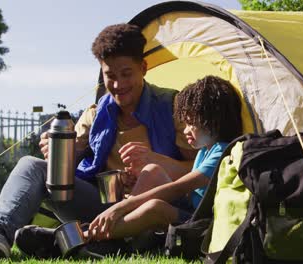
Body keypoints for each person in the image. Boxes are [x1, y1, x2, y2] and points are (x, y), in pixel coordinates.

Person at [0, 23, 196, 258]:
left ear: (143, 68)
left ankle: (75, 240)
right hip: (104, 205)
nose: (118, 85)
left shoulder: (172, 107)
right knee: (32, 166)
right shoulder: (95, 113)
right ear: (101, 73)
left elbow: (200, 172)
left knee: (151, 179)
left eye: (126, 74)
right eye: (110, 76)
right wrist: (57, 155)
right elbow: (70, 163)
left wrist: (155, 161)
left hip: (152, 209)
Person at [86, 75, 243, 242]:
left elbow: (178, 188)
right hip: (191, 209)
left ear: (213, 121)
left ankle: (92, 237)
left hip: (202, 223)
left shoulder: (222, 152)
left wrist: (121, 206)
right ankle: (119, 228)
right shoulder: (205, 151)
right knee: (151, 170)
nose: (186, 130)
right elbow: (191, 194)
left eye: (192, 123)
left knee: (155, 208)